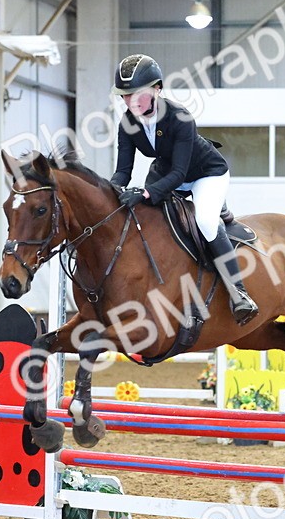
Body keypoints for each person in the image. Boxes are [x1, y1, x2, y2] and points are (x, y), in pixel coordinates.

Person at [108, 54, 258, 326]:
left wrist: (145, 193)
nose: (131, 103)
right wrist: (108, 193)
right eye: (125, 97)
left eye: (137, 95)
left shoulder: (179, 118)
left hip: (205, 174)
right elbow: (123, 172)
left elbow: (180, 173)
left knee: (205, 222)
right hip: (166, 173)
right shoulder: (127, 124)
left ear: (157, 89)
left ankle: (239, 293)